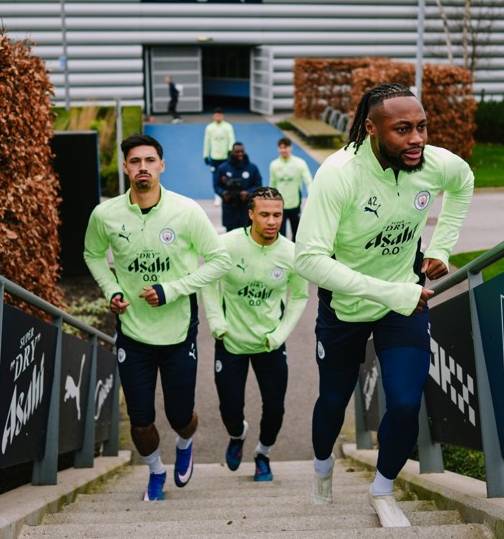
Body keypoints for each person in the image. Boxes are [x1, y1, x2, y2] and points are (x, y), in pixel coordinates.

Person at [294, 83, 473, 527]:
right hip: (347, 308)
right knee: (334, 400)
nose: (417, 140)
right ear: (370, 128)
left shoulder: (431, 164)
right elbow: (308, 259)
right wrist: (392, 292)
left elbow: (463, 180)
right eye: (402, 130)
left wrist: (442, 247)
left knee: (407, 401)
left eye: (422, 127)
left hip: (404, 304)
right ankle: (321, 470)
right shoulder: (338, 174)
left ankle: (383, 489)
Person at [83, 133, 232, 502]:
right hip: (133, 334)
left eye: (150, 161)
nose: (143, 168)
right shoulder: (106, 214)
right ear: (126, 167)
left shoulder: (186, 211)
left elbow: (220, 261)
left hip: (179, 331)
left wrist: (173, 289)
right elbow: (92, 254)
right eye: (135, 161)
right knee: (140, 419)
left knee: (180, 415)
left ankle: (184, 443)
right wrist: (112, 290)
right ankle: (155, 471)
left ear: (161, 166)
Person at [201, 187, 309, 482]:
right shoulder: (226, 245)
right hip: (231, 341)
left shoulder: (291, 252)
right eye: (265, 215)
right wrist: (216, 321)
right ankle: (238, 435)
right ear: (251, 215)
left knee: (275, 408)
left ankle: (263, 453)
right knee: (230, 409)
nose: (272, 221)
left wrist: (280, 334)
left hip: (270, 343)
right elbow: (208, 281)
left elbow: (300, 297)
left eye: (277, 214)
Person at [268, 137, 313, 241]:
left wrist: (311, 195)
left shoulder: (300, 163)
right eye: (281, 147)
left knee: (296, 234)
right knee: (280, 235)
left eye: (285, 147)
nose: (283, 150)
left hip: (295, 204)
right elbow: (272, 184)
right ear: (278, 149)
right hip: (280, 206)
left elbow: (308, 180)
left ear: (290, 148)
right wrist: (270, 201)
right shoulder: (274, 165)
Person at [215, 142, 262, 231]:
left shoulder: (252, 168)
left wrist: (248, 192)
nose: (240, 154)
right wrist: (223, 193)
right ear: (232, 152)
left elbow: (258, 185)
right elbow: (216, 185)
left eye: (242, 151)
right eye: (237, 152)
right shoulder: (223, 168)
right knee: (230, 236)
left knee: (247, 233)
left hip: (246, 208)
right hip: (229, 208)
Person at [203, 107, 235, 206]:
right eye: (216, 114)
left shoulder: (228, 126)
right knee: (216, 177)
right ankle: (217, 196)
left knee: (226, 176)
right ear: (214, 116)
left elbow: (231, 139)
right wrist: (205, 155)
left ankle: (227, 194)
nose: (218, 116)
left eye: (220, 114)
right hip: (214, 157)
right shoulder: (209, 127)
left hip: (225, 156)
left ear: (222, 115)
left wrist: (230, 151)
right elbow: (207, 141)